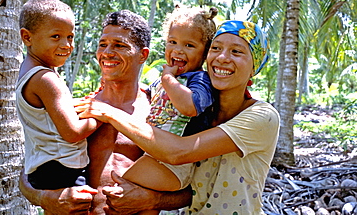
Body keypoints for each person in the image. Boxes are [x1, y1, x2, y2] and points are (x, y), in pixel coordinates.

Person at [79, 20, 280, 214]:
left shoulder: (262, 117)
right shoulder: (197, 114)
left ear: (254, 67)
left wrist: (108, 111)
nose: (222, 58)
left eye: (236, 51)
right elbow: (192, 192)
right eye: (216, 48)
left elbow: (178, 153)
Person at [19, 9, 193, 215]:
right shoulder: (76, 109)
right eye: (103, 45)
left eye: (119, 45)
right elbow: (28, 170)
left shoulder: (161, 111)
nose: (107, 52)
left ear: (143, 55)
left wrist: (152, 200)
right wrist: (45, 198)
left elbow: (192, 189)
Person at [118, 6, 217, 214]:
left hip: (174, 164)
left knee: (121, 191)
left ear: (206, 52)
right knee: (135, 202)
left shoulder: (199, 79)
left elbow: (189, 106)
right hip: (156, 156)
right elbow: (148, 94)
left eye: (189, 45)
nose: (178, 50)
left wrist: (169, 79)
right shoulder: (167, 79)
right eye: (172, 42)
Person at [16, 0, 101, 191]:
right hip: (63, 168)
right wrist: (104, 113)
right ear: (27, 37)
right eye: (56, 36)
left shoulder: (30, 71)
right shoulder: (46, 79)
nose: (66, 45)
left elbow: (50, 113)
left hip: (45, 166)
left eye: (70, 37)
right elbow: (73, 133)